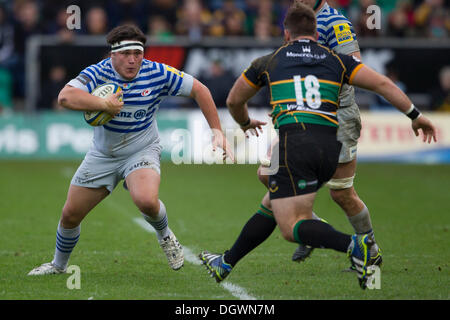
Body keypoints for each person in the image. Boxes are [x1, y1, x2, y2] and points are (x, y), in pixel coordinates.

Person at [200, 3, 436, 289]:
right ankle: (226, 262)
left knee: (304, 216)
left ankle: (355, 244)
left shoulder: (291, 49)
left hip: (323, 124)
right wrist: (415, 115)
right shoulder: (333, 59)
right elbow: (381, 83)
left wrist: (250, 121)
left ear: (287, 33)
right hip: (326, 137)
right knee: (272, 187)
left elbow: (234, 101)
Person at [28, 24, 233, 276]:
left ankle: (165, 235)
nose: (133, 60)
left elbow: (200, 90)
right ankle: (58, 266)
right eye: (126, 54)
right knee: (70, 214)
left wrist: (217, 131)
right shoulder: (98, 72)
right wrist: (103, 103)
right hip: (103, 154)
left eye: (138, 53)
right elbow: (65, 97)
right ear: (112, 54)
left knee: (145, 200)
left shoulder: (157, 72)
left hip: (142, 149)